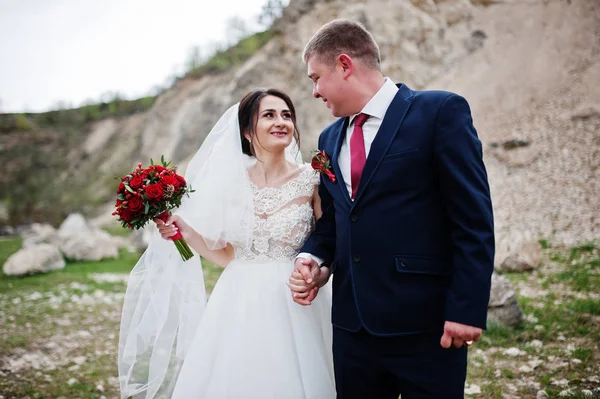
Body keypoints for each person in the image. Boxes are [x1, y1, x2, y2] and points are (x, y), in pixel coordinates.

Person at [287, 19, 495, 399]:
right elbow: (335, 221)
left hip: (425, 325)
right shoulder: (329, 139)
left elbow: (472, 219)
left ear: (345, 65)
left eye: (316, 78)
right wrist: (314, 259)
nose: (314, 91)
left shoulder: (439, 112)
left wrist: (466, 308)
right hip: (351, 330)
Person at [118, 88, 335, 399]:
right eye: (270, 115)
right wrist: (185, 232)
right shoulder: (233, 183)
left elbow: (329, 238)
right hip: (238, 300)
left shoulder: (311, 180)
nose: (282, 122)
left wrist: (319, 270)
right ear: (247, 130)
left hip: (297, 299)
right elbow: (229, 257)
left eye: (287, 115)